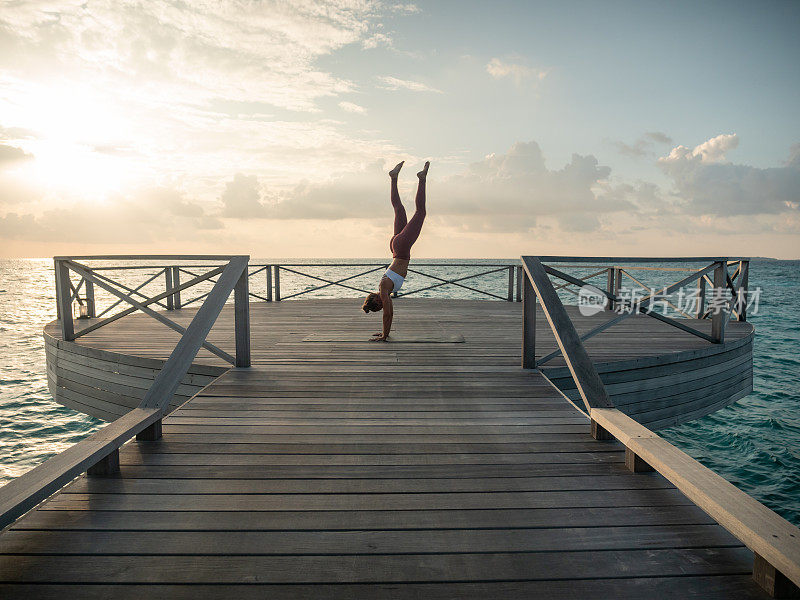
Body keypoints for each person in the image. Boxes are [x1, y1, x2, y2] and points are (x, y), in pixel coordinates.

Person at [362, 160, 430, 341]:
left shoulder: (384, 289)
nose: (383, 307)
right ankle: (393, 178)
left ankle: (422, 179)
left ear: (376, 300)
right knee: (399, 209)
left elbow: (388, 315)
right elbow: (387, 314)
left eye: (379, 306)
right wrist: (383, 332)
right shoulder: (384, 286)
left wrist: (384, 336)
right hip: (396, 247)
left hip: (400, 247)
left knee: (420, 212)